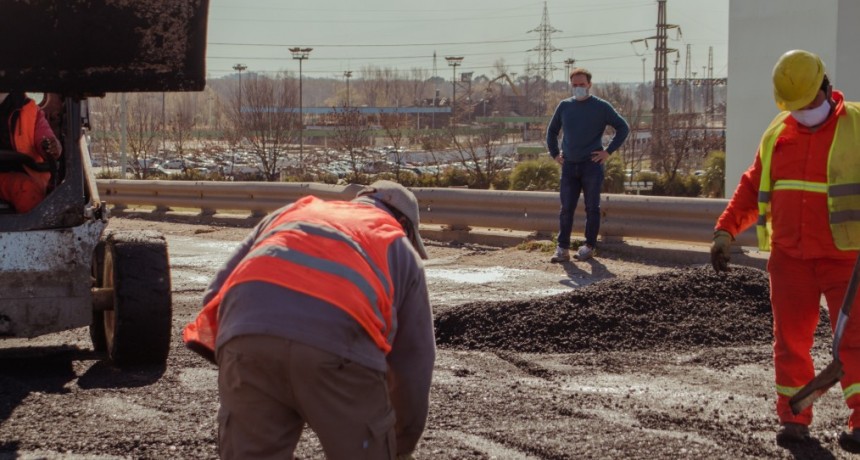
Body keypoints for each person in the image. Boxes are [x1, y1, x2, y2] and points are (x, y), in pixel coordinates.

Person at [183, 180, 435, 460]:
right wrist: (400, 444)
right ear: (402, 221)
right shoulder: (396, 242)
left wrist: (245, 359)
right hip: (341, 345)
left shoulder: (291, 213)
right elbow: (413, 363)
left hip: (245, 334)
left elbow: (215, 294)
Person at [710, 49, 860, 452]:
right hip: (790, 259)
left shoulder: (858, 127)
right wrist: (726, 230)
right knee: (790, 342)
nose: (802, 111)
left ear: (825, 88)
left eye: (808, 102)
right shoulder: (778, 132)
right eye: (795, 106)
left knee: (856, 341)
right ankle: (794, 419)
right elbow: (751, 185)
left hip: (847, 257)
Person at [546, 67, 629, 263]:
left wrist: (607, 152)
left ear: (589, 85)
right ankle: (562, 248)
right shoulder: (564, 106)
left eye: (582, 85)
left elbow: (623, 127)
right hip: (569, 165)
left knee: (592, 207)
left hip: (591, 165)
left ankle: (588, 246)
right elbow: (551, 131)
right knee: (566, 208)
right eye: (575, 85)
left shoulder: (601, 107)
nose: (578, 88)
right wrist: (555, 154)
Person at [0, 91, 62, 213]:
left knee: (27, 189)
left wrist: (52, 147)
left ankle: (36, 230)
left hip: (18, 176)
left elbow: (45, 136)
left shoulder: (30, 111)